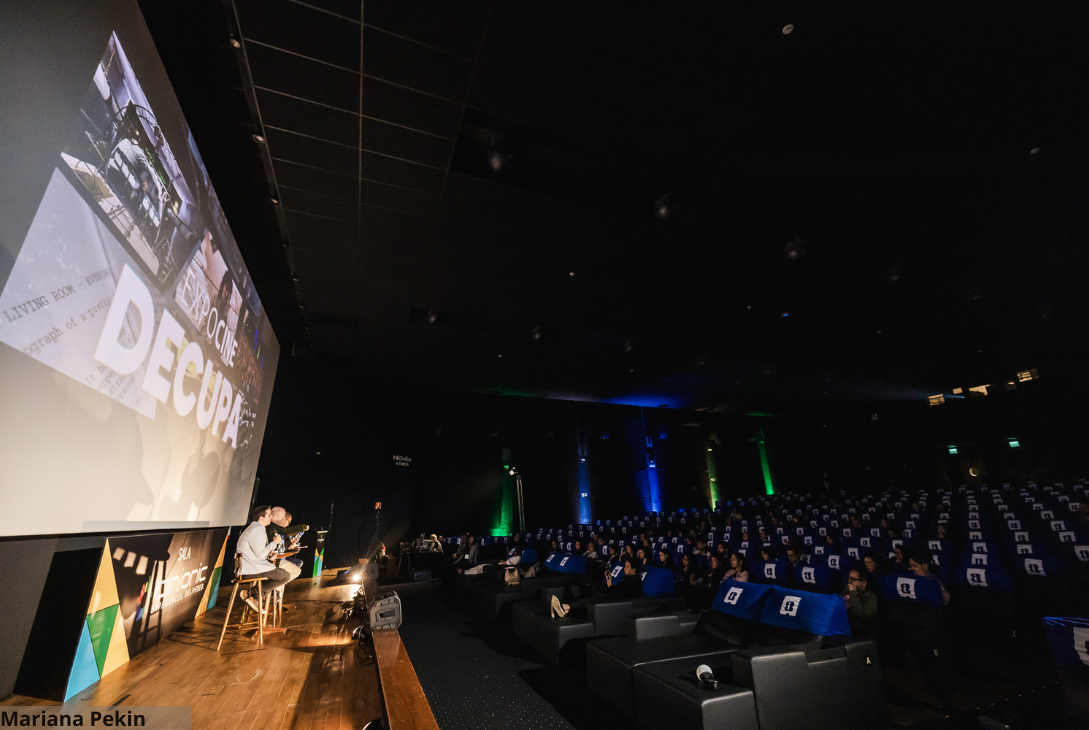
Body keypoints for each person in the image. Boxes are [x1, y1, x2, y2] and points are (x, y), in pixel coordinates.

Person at [237, 505, 292, 612]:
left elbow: (259, 552)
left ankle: (253, 596)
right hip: (250, 569)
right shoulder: (257, 529)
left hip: (253, 566)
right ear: (261, 518)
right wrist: (274, 543)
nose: (271, 517)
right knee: (284, 575)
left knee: (283, 573)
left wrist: (269, 554)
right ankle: (251, 595)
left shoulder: (257, 528)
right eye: (269, 515)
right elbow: (260, 555)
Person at [843, 569, 879, 637]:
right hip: (847, 628)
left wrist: (853, 593)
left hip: (862, 633)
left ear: (864, 582)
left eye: (853, 579)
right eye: (849, 578)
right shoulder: (847, 591)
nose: (849, 581)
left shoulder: (871, 597)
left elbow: (860, 614)